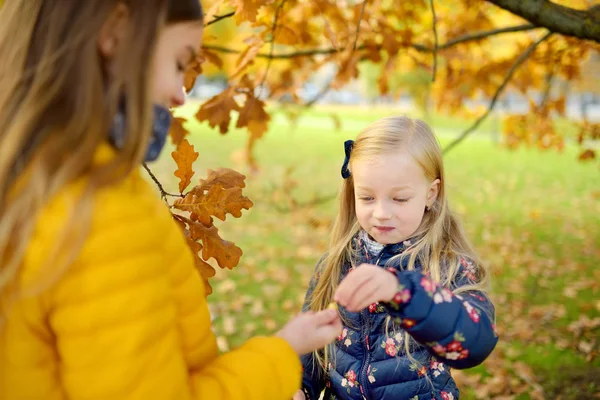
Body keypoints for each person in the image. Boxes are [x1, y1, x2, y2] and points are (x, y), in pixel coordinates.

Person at [0, 1, 341, 399]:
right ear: (115, 34)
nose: (180, 95)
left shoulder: (29, 179)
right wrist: (280, 355)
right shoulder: (100, 211)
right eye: (179, 64)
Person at [295, 116, 498, 400]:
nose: (381, 213)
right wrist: (300, 387)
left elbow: (477, 344)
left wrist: (403, 292)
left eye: (399, 199)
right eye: (367, 198)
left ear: (430, 194)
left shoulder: (448, 265)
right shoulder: (338, 261)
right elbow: (312, 344)